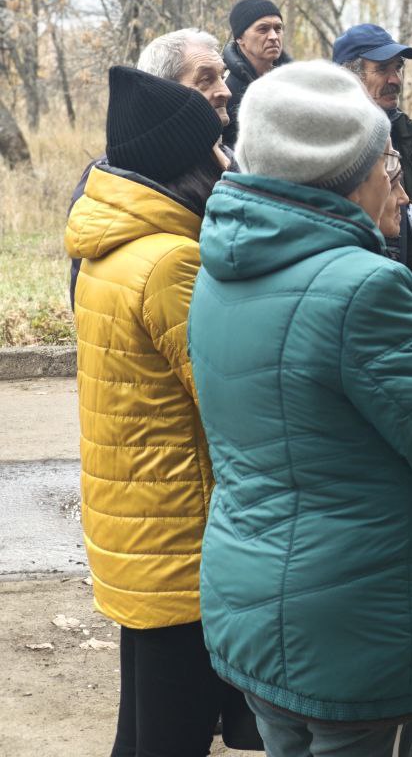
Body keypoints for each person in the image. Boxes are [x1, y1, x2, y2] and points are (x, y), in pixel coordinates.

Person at [187, 60, 412, 756]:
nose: (397, 182)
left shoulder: (222, 268)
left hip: (258, 607)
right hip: (361, 634)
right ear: (347, 172)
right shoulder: (364, 288)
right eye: (386, 161)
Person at [65, 66, 246, 757]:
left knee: (142, 726)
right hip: (177, 535)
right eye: (214, 147)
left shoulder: (109, 246)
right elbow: (225, 395)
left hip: (135, 530)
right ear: (185, 161)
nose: (225, 160)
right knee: (174, 731)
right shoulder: (171, 260)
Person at [68, 28, 234, 304]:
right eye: (206, 80)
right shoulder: (115, 179)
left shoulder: (227, 159)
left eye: (223, 76)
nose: (225, 91)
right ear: (161, 92)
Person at [334, 23, 412, 311]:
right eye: (383, 69)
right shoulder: (334, 146)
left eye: (398, 68)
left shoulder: (405, 136)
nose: (395, 80)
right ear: (349, 75)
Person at [221, 0, 291, 146]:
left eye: (278, 28)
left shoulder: (295, 81)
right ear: (240, 38)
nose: (273, 36)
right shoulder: (225, 90)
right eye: (263, 29)